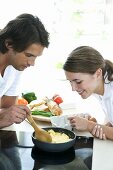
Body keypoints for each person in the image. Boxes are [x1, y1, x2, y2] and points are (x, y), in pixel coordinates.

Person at [0, 13, 49, 128]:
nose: (32, 63)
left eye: (35, 57)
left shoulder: (16, 66)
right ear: (9, 44)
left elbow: (7, 108)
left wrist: (6, 114)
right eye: (28, 55)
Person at [63, 45, 113, 141]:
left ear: (98, 73)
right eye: (70, 81)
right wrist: (100, 127)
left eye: (78, 82)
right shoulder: (100, 86)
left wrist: (89, 125)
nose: (73, 88)